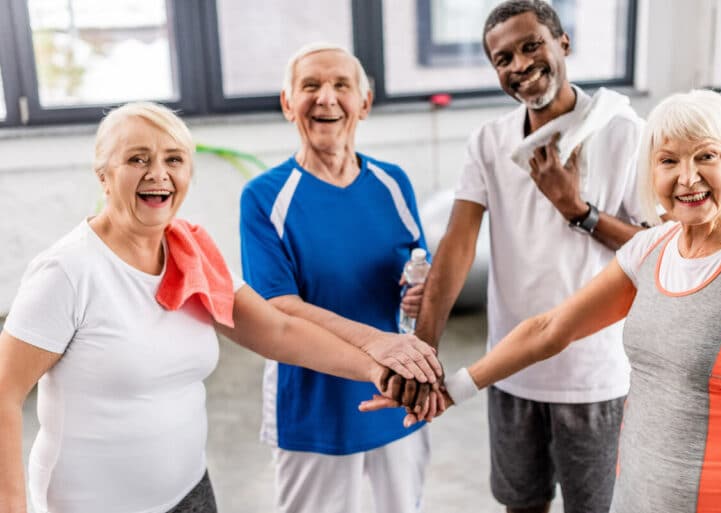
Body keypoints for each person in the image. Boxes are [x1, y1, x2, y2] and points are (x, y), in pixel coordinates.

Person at [0, 102, 430, 513]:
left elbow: (278, 332)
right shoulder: (68, 271)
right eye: (137, 159)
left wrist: (375, 366)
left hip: (190, 493)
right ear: (103, 175)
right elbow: (4, 392)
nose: (158, 174)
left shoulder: (192, 253)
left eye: (174, 160)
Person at [367, 88, 721, 512]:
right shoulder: (651, 248)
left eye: (706, 156)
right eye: (669, 160)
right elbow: (550, 330)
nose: (687, 178)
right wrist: (451, 389)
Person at [409, 2, 647, 512]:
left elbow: (656, 252)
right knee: (522, 504)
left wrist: (577, 209)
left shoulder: (623, 131)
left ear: (564, 43)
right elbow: (457, 245)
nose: (518, 64)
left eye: (530, 45)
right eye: (503, 58)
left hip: (595, 376)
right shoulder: (490, 142)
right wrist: (422, 351)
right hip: (510, 369)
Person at [239, 42, 440, 513]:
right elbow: (278, 308)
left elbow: (417, 271)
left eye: (341, 86)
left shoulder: (393, 182)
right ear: (288, 104)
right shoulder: (265, 197)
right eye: (310, 86)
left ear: (364, 103)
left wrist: (418, 293)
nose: (325, 98)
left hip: (397, 396)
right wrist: (378, 344)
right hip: (314, 409)